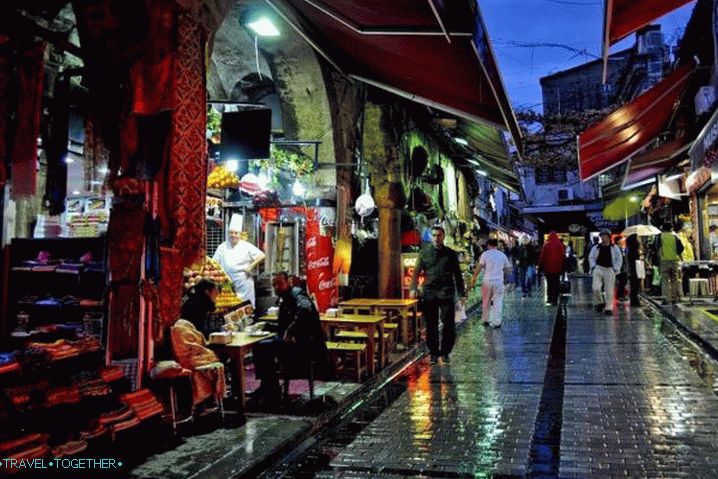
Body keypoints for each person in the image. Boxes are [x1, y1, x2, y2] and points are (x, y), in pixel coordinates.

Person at [252, 272, 328, 406]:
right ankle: (269, 387)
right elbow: (283, 325)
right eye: (274, 284)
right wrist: (266, 326)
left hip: (306, 346)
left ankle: (270, 390)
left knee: (263, 347)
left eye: (279, 283)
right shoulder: (284, 298)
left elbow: (305, 309)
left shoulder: (297, 294)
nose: (276, 287)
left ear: (289, 282)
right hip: (295, 344)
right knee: (260, 346)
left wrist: (290, 330)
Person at [410, 225, 466, 365]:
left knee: (448, 325)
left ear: (443, 236)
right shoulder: (424, 253)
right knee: (431, 325)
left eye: (439, 235)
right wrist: (413, 288)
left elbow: (457, 275)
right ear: (431, 236)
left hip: (446, 293)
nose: (436, 238)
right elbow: (416, 272)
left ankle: (446, 352)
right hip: (429, 293)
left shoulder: (450, 254)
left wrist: (461, 293)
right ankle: (434, 352)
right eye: (434, 235)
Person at [212, 215, 266, 307]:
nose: (233, 235)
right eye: (231, 233)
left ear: (240, 234)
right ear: (228, 233)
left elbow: (262, 256)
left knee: (245, 310)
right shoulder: (222, 247)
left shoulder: (246, 245)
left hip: (243, 282)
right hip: (227, 285)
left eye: (236, 233)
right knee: (230, 311)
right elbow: (214, 263)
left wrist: (251, 266)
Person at [471, 238, 511, 328]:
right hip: (498, 282)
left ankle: (485, 319)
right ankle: (496, 322)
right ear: (496, 245)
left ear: (488, 245)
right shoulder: (502, 255)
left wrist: (474, 276)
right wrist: (504, 276)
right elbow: (508, 269)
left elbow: (479, 266)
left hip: (487, 281)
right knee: (498, 301)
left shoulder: (485, 254)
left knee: (486, 301)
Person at [588, 229, 622, 314]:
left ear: (609, 238)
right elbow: (591, 257)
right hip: (598, 268)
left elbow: (619, 259)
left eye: (605, 236)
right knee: (595, 287)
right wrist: (593, 267)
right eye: (602, 236)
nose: (603, 238)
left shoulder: (615, 248)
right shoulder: (596, 248)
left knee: (609, 290)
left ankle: (608, 308)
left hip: (610, 269)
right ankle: (600, 302)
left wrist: (615, 269)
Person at [655, 222, 683, 304]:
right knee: (675, 279)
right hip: (674, 260)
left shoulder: (660, 237)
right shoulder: (675, 237)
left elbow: (657, 248)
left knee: (665, 280)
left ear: (663, 228)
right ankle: (675, 298)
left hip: (664, 261)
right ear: (671, 228)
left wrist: (659, 257)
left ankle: (665, 298)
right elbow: (681, 248)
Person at [538, 232, 566, 305]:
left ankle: (550, 298)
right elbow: (563, 256)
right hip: (557, 268)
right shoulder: (560, 245)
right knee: (556, 283)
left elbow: (542, 257)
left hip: (548, 268)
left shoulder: (546, 245)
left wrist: (540, 267)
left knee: (549, 283)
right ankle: (555, 299)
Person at [626, 234, 641, 307]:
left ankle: (634, 301)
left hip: (633, 270)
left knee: (634, 286)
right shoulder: (634, 251)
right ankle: (635, 301)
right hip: (636, 270)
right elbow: (636, 261)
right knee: (635, 286)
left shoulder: (630, 250)